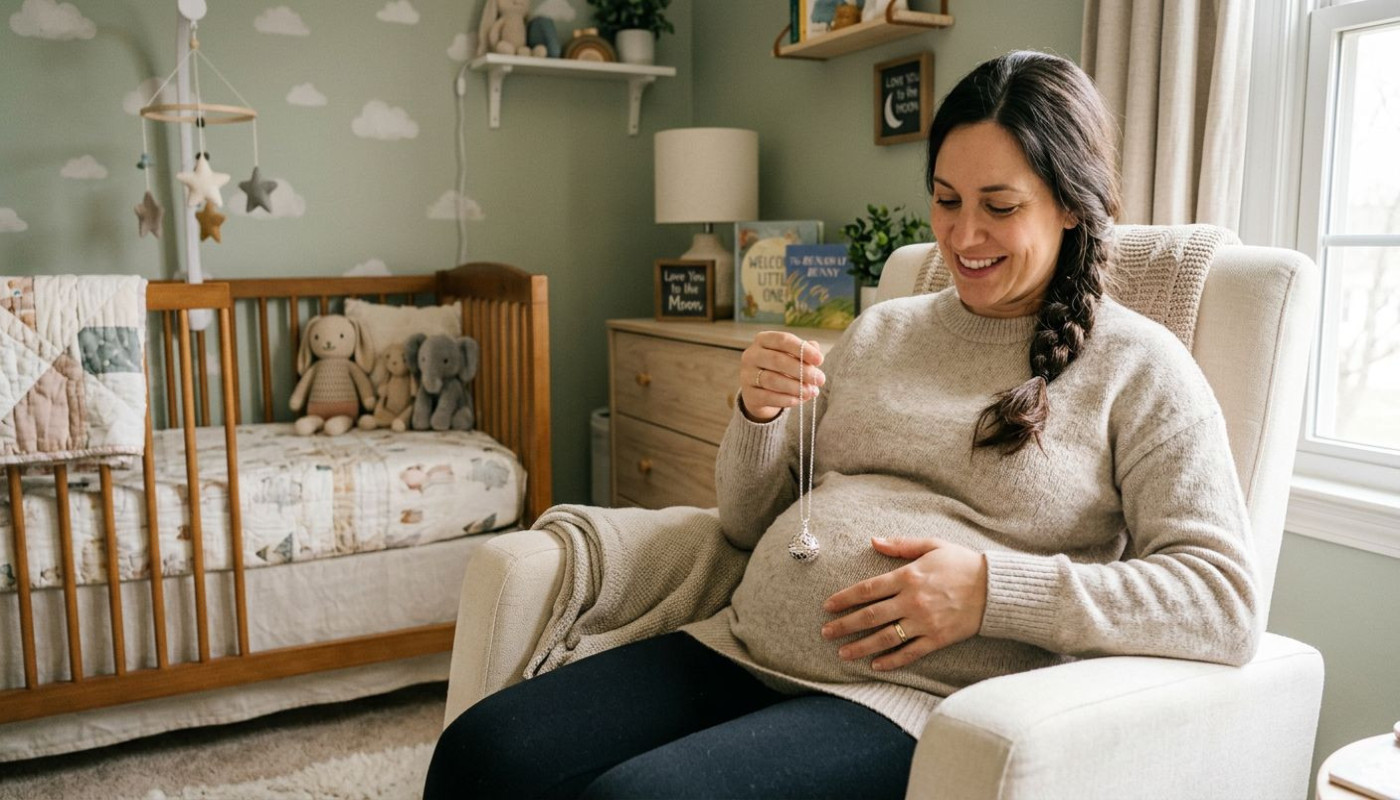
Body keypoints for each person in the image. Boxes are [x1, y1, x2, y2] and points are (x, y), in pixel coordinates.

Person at [424, 50, 1259, 800]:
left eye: (999, 207)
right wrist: (757, 415)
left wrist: (992, 593)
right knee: (482, 752)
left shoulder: (1140, 368)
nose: (963, 236)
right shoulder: (884, 329)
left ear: (1074, 205)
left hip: (907, 701)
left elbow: (1222, 601)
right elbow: (751, 522)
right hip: (743, 645)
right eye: (945, 199)